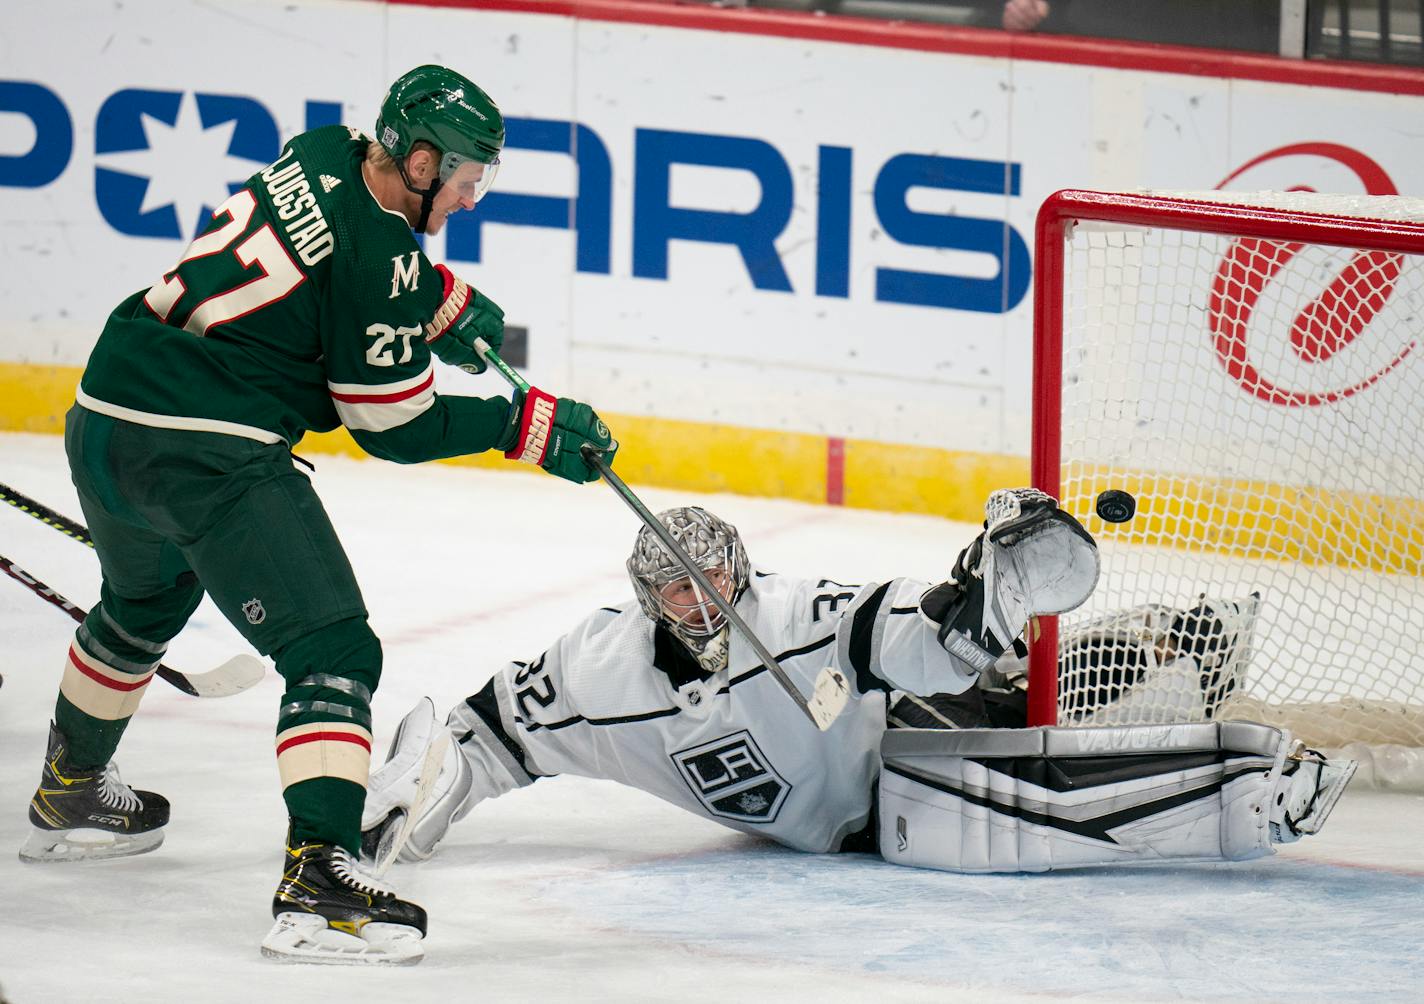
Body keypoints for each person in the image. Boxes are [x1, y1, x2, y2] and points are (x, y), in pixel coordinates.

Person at [18, 64, 616, 965]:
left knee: (142, 604)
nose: (467, 198)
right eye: (461, 177)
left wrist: (437, 299)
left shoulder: (322, 151)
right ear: (417, 160)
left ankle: (69, 786)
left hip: (106, 414)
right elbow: (389, 424)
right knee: (333, 652)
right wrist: (520, 425)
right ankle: (316, 882)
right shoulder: (382, 257)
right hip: (207, 448)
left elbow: (340, 252)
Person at [361, 491, 1354, 876]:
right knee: (1019, 734)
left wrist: (960, 617)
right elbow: (485, 732)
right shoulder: (598, 667)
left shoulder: (799, 616)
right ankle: (1189, 671)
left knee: (1013, 713)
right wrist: (406, 808)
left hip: (890, 749)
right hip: (855, 805)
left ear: (745, 574)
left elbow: (894, 625)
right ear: (643, 593)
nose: (703, 607)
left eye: (716, 585)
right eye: (678, 589)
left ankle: (1189, 655)